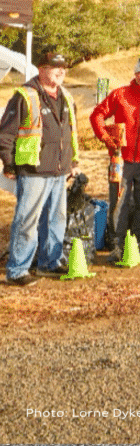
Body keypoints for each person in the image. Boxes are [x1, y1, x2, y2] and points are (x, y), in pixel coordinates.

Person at [1, 52, 78, 286]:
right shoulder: (24, 96)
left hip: (59, 170)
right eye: (56, 67)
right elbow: (5, 134)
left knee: (56, 220)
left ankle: (49, 263)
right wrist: (9, 163)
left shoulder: (66, 96)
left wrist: (72, 163)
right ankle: (16, 270)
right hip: (33, 170)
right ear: (41, 69)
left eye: (64, 68)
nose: (61, 71)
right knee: (27, 221)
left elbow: (71, 133)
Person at [89, 56, 140, 262]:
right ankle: (116, 246)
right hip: (121, 160)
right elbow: (97, 114)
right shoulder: (120, 94)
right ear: (135, 73)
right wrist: (105, 137)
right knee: (119, 202)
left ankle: (136, 244)